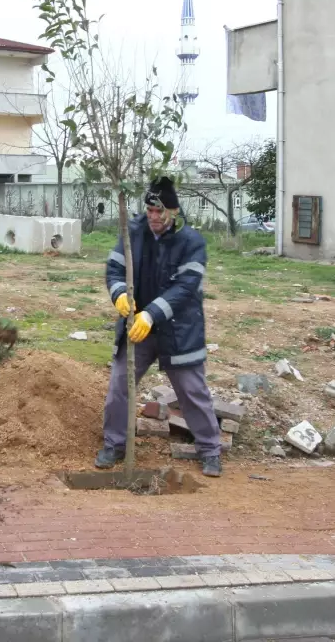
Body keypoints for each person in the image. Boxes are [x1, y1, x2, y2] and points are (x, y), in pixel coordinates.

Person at [96, 177, 223, 477]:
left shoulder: (191, 242)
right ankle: (114, 444)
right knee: (119, 387)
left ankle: (210, 450)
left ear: (174, 211)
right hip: (136, 327)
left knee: (192, 391)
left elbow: (185, 288)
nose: (153, 217)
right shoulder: (134, 232)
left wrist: (151, 314)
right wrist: (118, 295)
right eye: (150, 210)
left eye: (160, 212)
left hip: (177, 331)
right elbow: (115, 268)